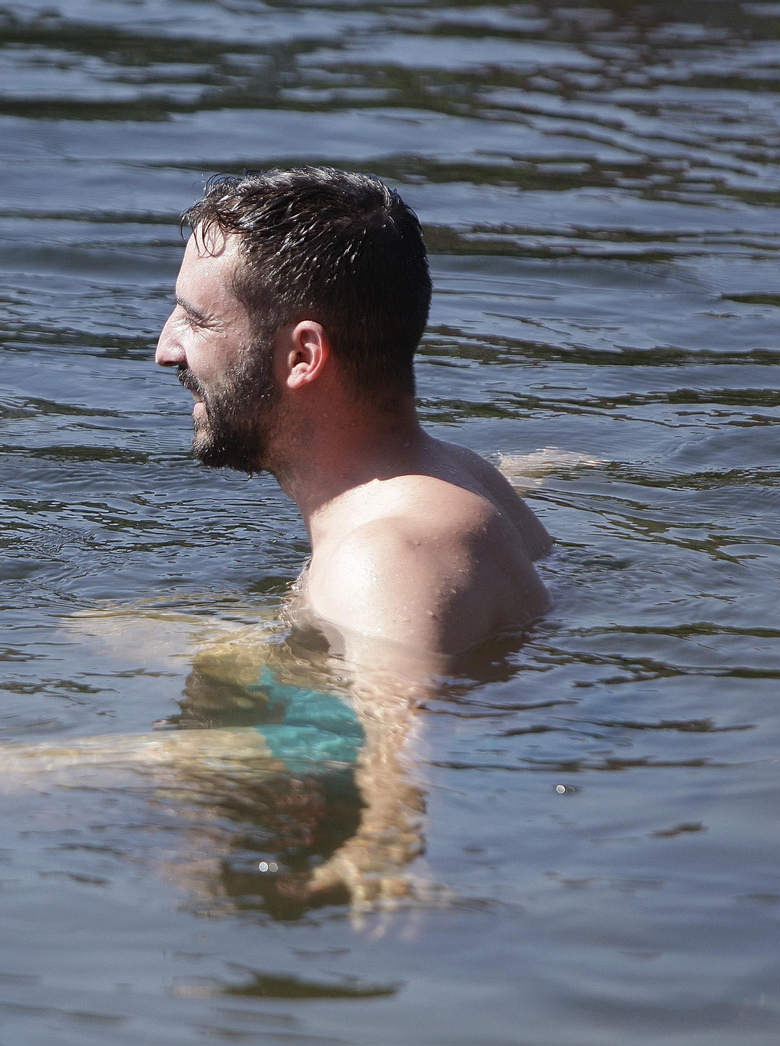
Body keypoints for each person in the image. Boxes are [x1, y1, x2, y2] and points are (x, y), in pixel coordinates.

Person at [154, 167, 551, 678]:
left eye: (197, 319)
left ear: (303, 355)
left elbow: (404, 757)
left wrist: (58, 760)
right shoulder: (464, 477)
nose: (165, 350)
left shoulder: (387, 561)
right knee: (107, 625)